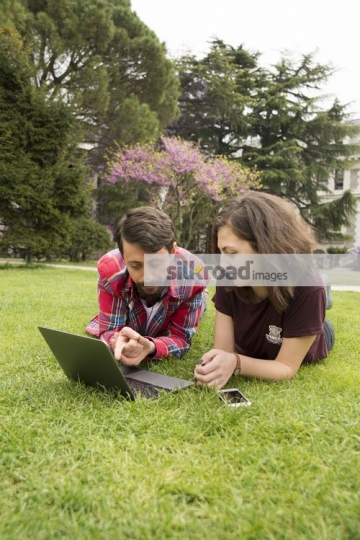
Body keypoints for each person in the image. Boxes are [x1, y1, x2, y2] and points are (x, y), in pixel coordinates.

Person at [194, 191, 335, 389]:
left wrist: (237, 362)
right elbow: (223, 350)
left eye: (232, 253)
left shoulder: (308, 287)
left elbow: (286, 367)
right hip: (261, 333)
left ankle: (322, 305)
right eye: (221, 252)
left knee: (318, 301)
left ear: (266, 247)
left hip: (309, 330)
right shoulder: (228, 276)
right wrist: (215, 365)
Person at [86, 206, 206, 365]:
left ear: (173, 253)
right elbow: (110, 329)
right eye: (136, 266)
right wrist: (117, 342)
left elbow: (180, 338)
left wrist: (151, 347)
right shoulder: (111, 271)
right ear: (123, 257)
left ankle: (202, 300)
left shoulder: (195, 278)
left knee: (201, 304)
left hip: (185, 289)